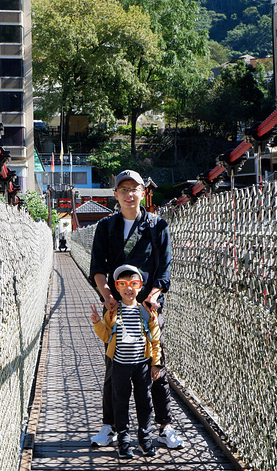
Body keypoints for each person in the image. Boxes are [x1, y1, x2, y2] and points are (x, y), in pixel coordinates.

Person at [88, 169, 184, 449]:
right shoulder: (106, 226)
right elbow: (98, 267)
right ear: (115, 195)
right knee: (113, 368)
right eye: (123, 189)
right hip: (117, 307)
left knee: (155, 366)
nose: (129, 194)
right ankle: (111, 426)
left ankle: (164, 427)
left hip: (146, 309)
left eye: (135, 189)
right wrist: (107, 296)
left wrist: (152, 297)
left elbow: (164, 271)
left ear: (144, 193)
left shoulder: (157, 226)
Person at [90, 264, 161, 459]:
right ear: (117, 288)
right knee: (120, 402)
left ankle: (145, 439)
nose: (129, 288)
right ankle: (123, 440)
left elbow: (155, 340)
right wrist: (97, 322)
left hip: (142, 365)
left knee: (144, 402)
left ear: (140, 287)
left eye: (134, 283)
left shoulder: (146, 312)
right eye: (123, 284)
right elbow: (106, 336)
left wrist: (155, 363)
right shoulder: (113, 312)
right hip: (120, 365)